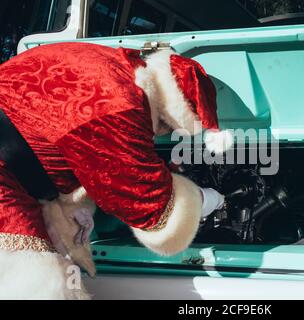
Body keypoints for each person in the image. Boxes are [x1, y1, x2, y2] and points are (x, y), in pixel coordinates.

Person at [0, 42, 232, 299]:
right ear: (171, 110)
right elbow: (150, 206)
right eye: (167, 127)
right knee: (38, 283)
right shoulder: (121, 105)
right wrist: (209, 198)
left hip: (15, 171)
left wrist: (77, 207)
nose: (161, 134)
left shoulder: (112, 62)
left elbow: (63, 139)